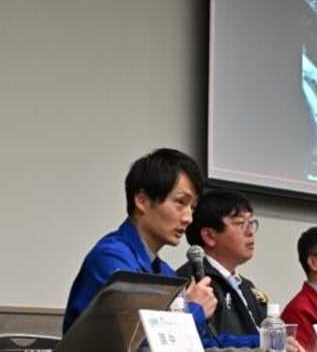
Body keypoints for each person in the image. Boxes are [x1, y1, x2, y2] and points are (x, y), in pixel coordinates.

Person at [64, 148, 263, 349]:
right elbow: (140, 343)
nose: (188, 217)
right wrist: (195, 310)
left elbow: (197, 343)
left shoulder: (165, 272)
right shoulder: (111, 258)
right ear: (142, 200)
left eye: (192, 207)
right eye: (180, 202)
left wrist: (263, 340)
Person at [176, 189, 268, 345]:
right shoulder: (192, 283)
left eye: (251, 223)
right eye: (240, 224)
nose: (250, 232)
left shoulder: (247, 287)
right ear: (209, 236)